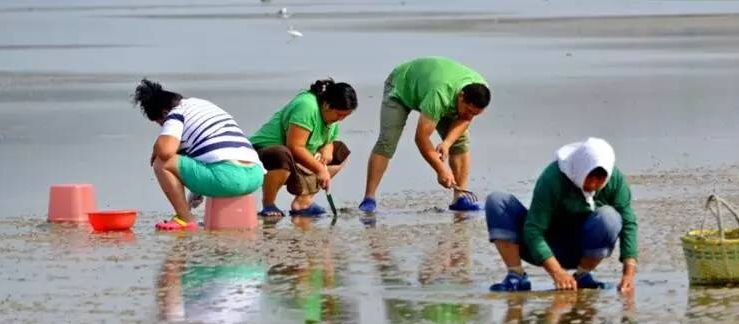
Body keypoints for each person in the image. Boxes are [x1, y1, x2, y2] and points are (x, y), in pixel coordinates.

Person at [485, 137, 638, 293]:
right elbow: (533, 230)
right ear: (580, 168)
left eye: (600, 179)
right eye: (589, 177)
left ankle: (583, 275)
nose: (592, 185)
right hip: (542, 246)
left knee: (609, 217)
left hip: (582, 248)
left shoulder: (615, 180)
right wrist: (557, 272)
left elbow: (628, 223)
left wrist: (628, 274)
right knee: (497, 201)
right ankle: (515, 275)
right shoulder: (552, 178)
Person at [359, 56, 490, 213]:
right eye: (469, 110)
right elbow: (421, 138)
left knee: (460, 142)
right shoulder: (439, 96)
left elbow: (465, 119)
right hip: (401, 86)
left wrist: (447, 143)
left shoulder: (481, 89)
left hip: (431, 90)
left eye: (476, 113)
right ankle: (369, 199)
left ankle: (460, 198)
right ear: (461, 96)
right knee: (387, 142)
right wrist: (441, 169)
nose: (470, 115)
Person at [132, 78, 264, 231]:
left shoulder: (176, 114)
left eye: (161, 124)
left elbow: (166, 152)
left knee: (161, 163)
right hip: (255, 175)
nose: (163, 128)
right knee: (187, 159)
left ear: (164, 113)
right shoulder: (203, 105)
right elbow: (209, 152)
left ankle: (185, 218)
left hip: (228, 178)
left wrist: (156, 147)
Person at [250, 79, 357, 218]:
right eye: (339, 114)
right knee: (281, 154)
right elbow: (294, 146)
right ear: (326, 105)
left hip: (296, 158)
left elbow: (329, 140)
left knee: (340, 151)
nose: (341, 119)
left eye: (345, 116)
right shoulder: (307, 106)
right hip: (264, 154)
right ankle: (269, 204)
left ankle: (303, 202)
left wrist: (328, 148)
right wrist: (320, 169)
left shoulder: (332, 117)